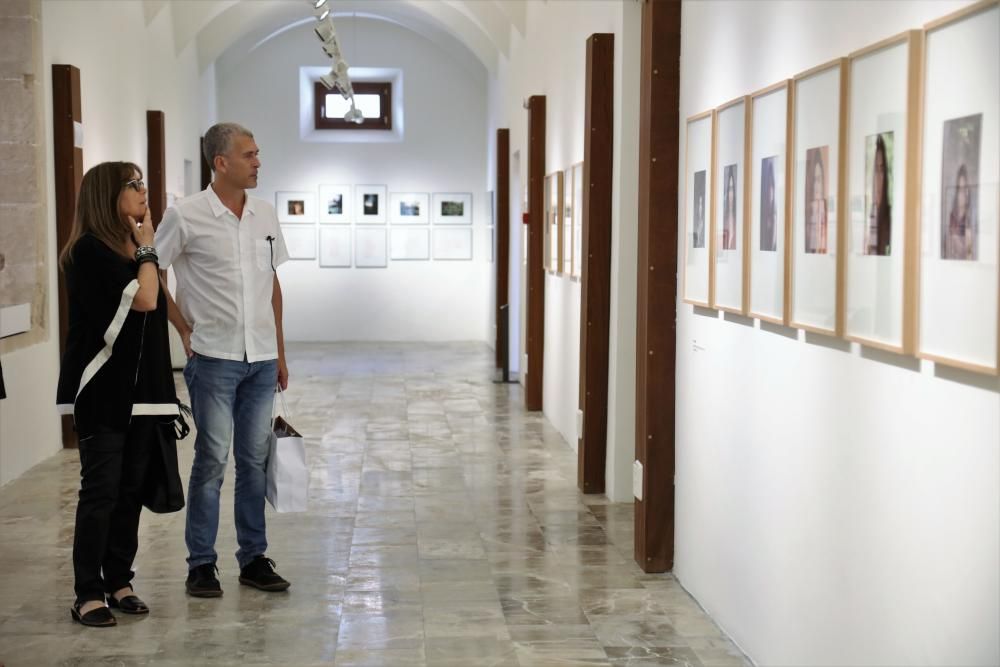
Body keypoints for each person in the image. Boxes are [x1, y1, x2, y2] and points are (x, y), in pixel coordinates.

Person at [155, 122, 292, 597]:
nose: (258, 162)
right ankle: (201, 565)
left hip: (260, 359)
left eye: (257, 154)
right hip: (212, 357)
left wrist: (279, 348)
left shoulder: (265, 214)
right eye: (249, 154)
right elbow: (154, 268)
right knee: (212, 460)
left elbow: (270, 283)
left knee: (254, 461)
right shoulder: (186, 215)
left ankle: (253, 558)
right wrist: (182, 327)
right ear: (221, 162)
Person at [56, 162, 184, 627]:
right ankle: (87, 592)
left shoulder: (133, 246)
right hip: (104, 391)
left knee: (130, 491)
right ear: (106, 195)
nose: (142, 190)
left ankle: (119, 581)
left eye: (142, 182)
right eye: (132, 185)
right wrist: (148, 247)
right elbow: (146, 299)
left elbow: (155, 297)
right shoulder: (88, 251)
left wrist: (144, 248)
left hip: (144, 391)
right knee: (102, 492)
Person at [943, 164, 975, 260]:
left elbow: (969, 254)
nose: (963, 194)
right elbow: (946, 250)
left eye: (965, 189)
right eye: (960, 190)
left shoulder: (969, 219)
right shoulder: (952, 217)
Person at [866, 134, 891, 256]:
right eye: (876, 169)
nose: (878, 177)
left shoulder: (891, 216)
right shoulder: (866, 215)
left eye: (881, 170)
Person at [806, 149, 828, 254]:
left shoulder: (827, 213)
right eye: (814, 180)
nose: (816, 186)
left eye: (818, 180)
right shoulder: (807, 213)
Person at [759, 157, 777, 251]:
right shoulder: (762, 216)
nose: (770, 192)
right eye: (768, 187)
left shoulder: (775, 216)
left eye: (772, 187)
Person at [722, 165, 738, 250]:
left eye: (732, 189)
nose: (730, 194)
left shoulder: (739, 220)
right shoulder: (723, 219)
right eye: (729, 189)